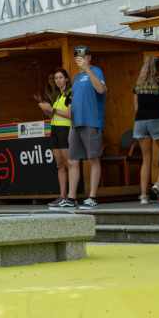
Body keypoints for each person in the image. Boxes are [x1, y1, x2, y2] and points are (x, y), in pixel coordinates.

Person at [67, 46, 107, 210]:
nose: (79, 59)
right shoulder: (76, 78)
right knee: (73, 160)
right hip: (76, 124)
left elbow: (101, 89)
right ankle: (71, 198)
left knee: (93, 159)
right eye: (77, 56)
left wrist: (87, 70)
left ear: (89, 57)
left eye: (82, 56)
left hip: (91, 122)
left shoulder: (96, 71)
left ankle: (92, 197)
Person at [135, 56, 159, 204]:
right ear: (157, 69)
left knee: (146, 159)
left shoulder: (138, 85)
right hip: (157, 120)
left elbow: (136, 108)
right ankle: (158, 184)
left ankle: (144, 196)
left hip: (139, 122)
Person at [37, 68, 73, 209]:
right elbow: (53, 115)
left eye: (60, 77)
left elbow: (70, 114)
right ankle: (62, 196)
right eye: (56, 78)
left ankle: (71, 196)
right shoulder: (58, 96)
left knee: (69, 164)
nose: (58, 80)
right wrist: (46, 110)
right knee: (59, 165)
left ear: (66, 79)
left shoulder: (70, 93)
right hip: (55, 130)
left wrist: (52, 110)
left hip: (65, 130)